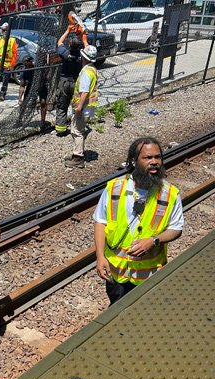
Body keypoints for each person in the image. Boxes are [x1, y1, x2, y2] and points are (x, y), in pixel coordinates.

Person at [93, 137, 183, 305]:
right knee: (117, 313)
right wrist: (100, 257)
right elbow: (100, 222)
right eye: (148, 158)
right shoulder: (114, 188)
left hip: (149, 275)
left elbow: (176, 229)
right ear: (133, 161)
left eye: (158, 157)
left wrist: (153, 241)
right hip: (116, 273)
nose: (155, 162)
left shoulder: (170, 194)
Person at [66, 44, 98, 169]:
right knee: (80, 129)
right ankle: (76, 153)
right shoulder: (93, 69)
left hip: (83, 106)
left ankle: (78, 157)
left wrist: (78, 108)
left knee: (76, 131)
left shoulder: (86, 72)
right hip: (89, 106)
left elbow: (84, 92)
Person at [54, 26, 87, 136]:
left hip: (64, 82)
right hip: (76, 82)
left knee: (62, 105)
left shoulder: (65, 53)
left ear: (69, 45)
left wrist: (67, 30)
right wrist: (84, 37)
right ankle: (76, 128)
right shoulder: (82, 55)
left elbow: (59, 42)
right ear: (79, 47)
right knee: (77, 106)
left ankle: (60, 130)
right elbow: (87, 47)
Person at [17, 55, 49, 129]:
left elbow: (47, 77)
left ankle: (43, 121)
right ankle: (19, 120)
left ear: (31, 62)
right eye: (24, 64)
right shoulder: (24, 71)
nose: (25, 66)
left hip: (41, 85)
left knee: (43, 102)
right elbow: (22, 85)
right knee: (24, 102)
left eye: (26, 64)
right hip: (31, 86)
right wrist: (20, 98)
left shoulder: (39, 68)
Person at [0, 22, 17, 101]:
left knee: (5, 81)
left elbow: (14, 54)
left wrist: (11, 66)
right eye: (4, 30)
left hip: (7, 65)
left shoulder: (12, 41)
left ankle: (2, 95)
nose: (5, 32)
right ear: (1, 31)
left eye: (7, 30)